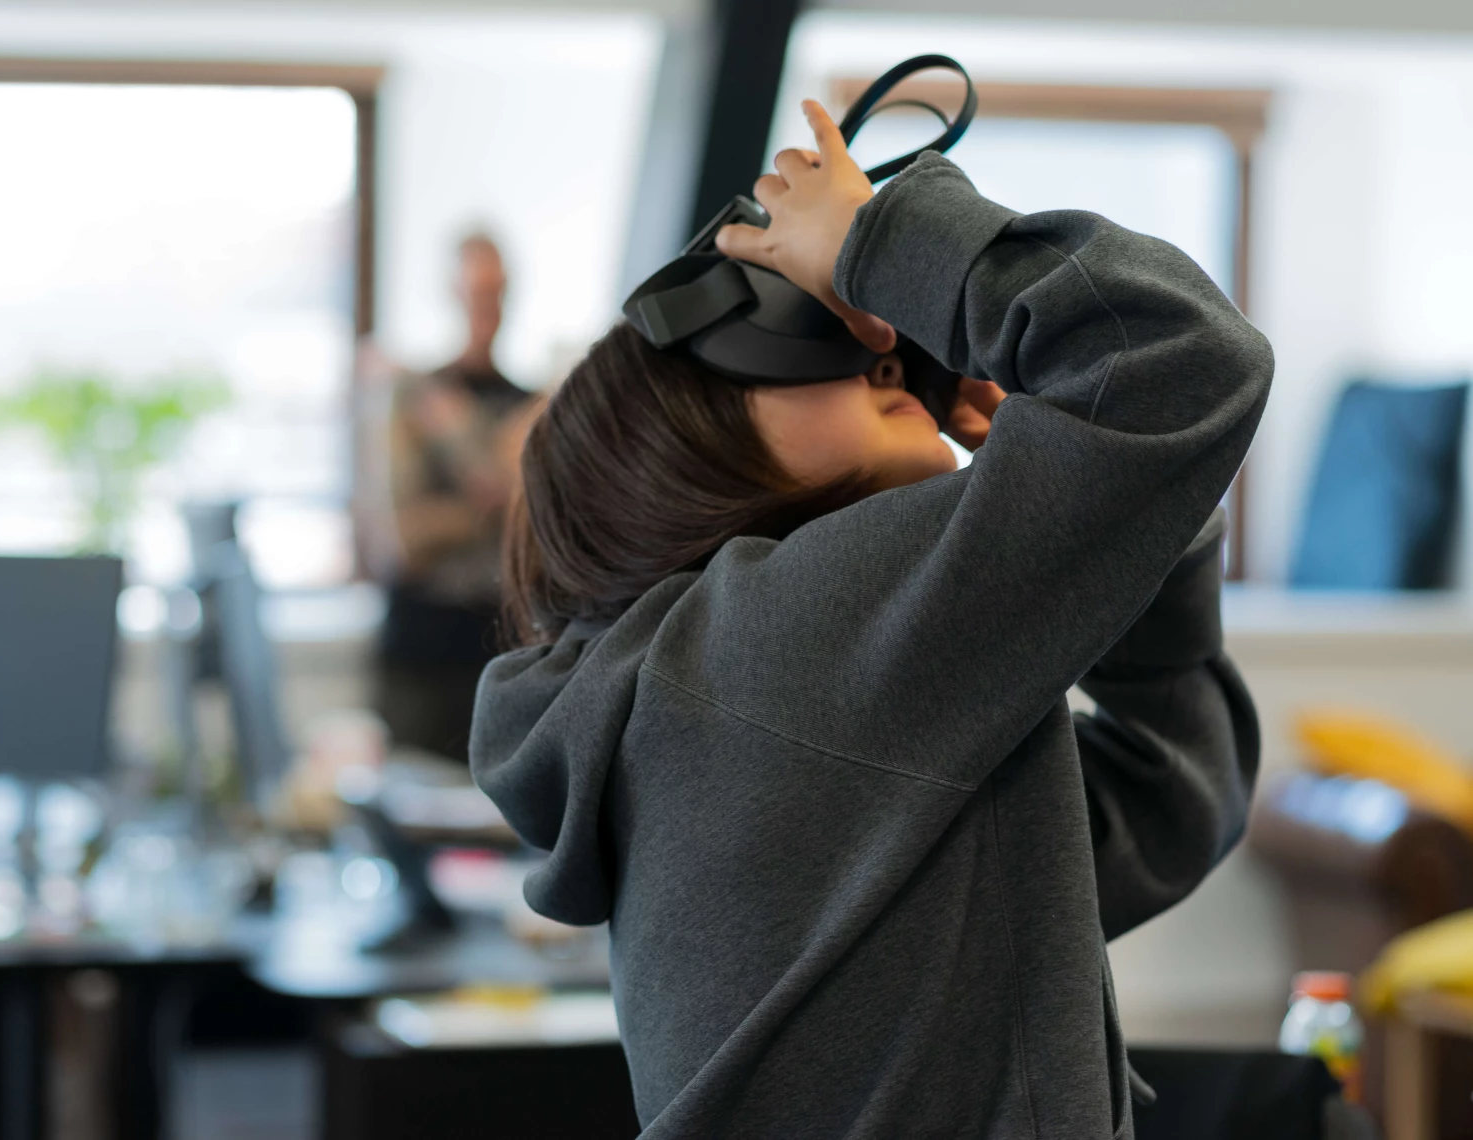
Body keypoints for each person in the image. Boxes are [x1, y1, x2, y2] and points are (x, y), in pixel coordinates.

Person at [472, 100, 1270, 1138]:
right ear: (676, 442)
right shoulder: (767, 650)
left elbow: (1165, 806)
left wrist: (1124, 512)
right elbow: (1178, 359)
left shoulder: (720, 695)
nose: (885, 353)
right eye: (824, 339)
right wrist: (875, 241)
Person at [372, 233, 535, 761]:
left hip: (503, 653)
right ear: (452, 292)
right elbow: (407, 540)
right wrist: (500, 475)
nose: (485, 305)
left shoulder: (529, 402)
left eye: (495, 290)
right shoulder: (414, 397)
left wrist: (460, 441)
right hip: (422, 655)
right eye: (474, 290)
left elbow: (543, 537)